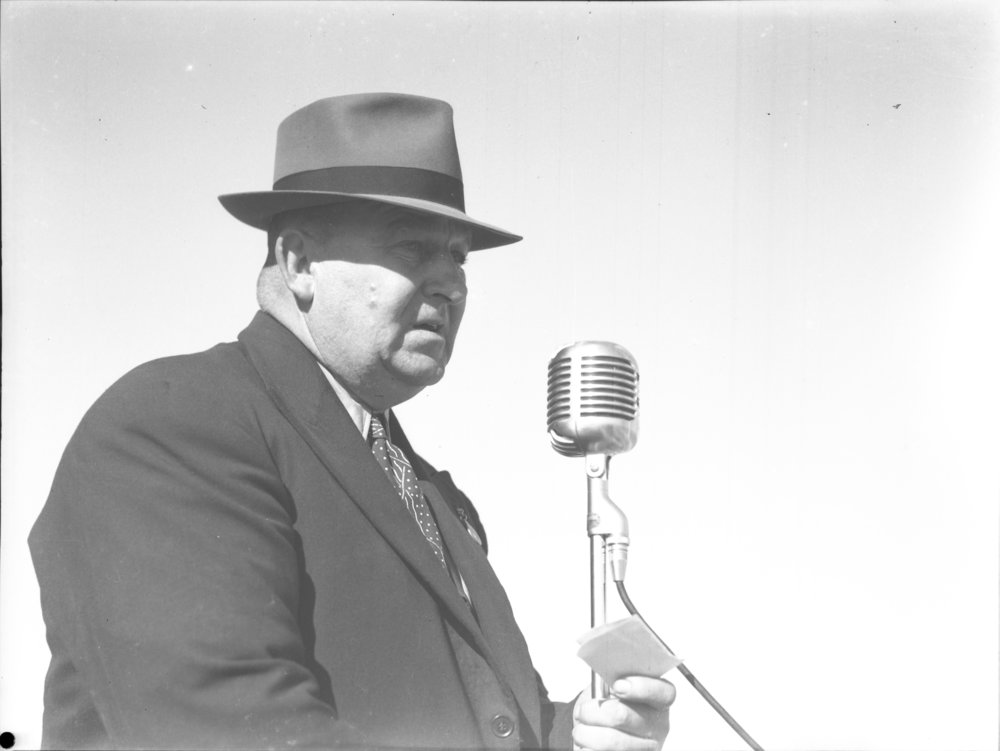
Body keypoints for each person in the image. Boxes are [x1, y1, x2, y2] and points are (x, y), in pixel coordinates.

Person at [29, 93, 675, 750]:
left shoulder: (427, 491)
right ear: (300, 263)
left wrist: (579, 735)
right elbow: (235, 729)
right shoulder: (174, 423)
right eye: (411, 246)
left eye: (458, 256)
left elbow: (494, 719)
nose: (452, 283)